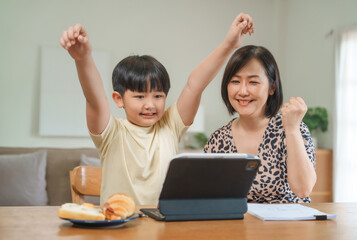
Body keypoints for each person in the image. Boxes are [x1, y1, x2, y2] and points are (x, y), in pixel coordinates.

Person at [59, 13, 254, 205]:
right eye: (140, 96)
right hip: (118, 229)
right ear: (119, 99)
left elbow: (195, 85)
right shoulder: (111, 133)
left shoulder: (170, 126)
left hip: (163, 229)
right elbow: (94, 98)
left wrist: (229, 44)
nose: (150, 105)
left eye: (158, 96)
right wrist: (83, 58)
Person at [204, 45, 316, 203]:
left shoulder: (293, 128)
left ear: (272, 87)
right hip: (239, 226)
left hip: (289, 226)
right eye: (235, 81)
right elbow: (209, 197)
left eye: (253, 82)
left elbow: (303, 190)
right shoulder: (217, 141)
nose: (242, 91)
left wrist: (292, 130)